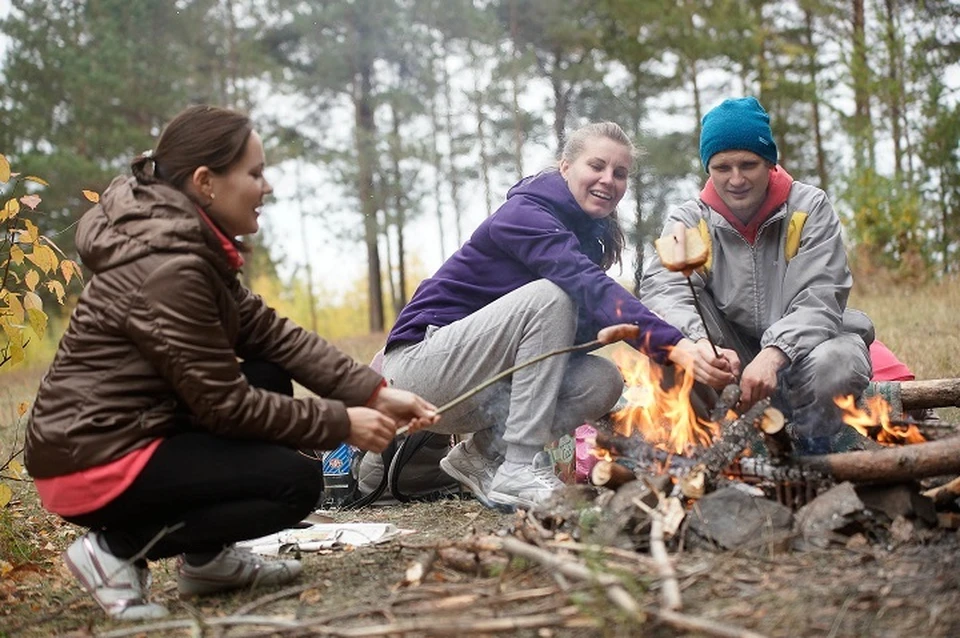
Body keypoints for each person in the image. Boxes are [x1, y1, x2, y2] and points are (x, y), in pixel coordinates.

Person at [24, 105, 438, 620]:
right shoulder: (169, 267)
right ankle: (115, 548)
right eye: (255, 173)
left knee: (266, 369)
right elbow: (222, 405)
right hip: (93, 455)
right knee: (293, 484)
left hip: (131, 430)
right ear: (206, 183)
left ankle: (207, 560)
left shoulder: (185, 243)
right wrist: (340, 422)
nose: (266, 187)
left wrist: (373, 392)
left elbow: (270, 333)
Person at [381, 121, 730, 510]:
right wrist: (674, 346)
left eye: (620, 173)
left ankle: (483, 456)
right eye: (596, 166)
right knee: (554, 295)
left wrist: (693, 347)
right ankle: (516, 468)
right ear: (565, 167)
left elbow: (586, 320)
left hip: (476, 382)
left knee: (601, 380)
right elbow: (586, 288)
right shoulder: (525, 214)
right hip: (421, 370)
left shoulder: (584, 236)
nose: (608, 180)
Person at [639, 96, 873, 452]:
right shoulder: (688, 220)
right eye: (722, 167)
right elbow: (664, 291)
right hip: (728, 366)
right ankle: (708, 453)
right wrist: (700, 347)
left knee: (839, 360)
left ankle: (815, 452)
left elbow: (822, 296)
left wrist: (775, 353)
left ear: (769, 162)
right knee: (668, 350)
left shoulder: (809, 208)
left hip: (801, 357)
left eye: (748, 164)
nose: (736, 179)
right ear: (708, 168)